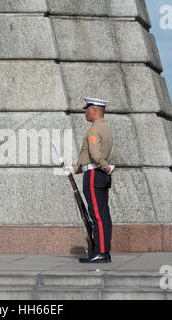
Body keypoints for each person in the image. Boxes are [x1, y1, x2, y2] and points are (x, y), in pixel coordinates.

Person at [64, 97, 115, 263]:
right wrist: (74, 169)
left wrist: (104, 165)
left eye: (87, 109)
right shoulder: (106, 129)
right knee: (103, 215)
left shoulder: (93, 131)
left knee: (97, 215)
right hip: (100, 175)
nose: (85, 112)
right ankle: (104, 251)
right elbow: (91, 157)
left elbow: (94, 156)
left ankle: (100, 252)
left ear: (94, 110)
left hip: (94, 175)